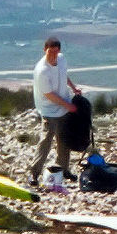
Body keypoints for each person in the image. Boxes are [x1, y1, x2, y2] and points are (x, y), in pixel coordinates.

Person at [28, 36, 82, 186]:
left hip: (63, 106)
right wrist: (67, 105)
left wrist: (73, 88)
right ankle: (34, 173)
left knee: (64, 140)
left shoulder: (62, 59)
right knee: (46, 141)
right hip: (49, 110)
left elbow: (64, 75)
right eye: (50, 52)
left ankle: (64, 169)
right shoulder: (42, 70)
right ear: (45, 50)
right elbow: (49, 94)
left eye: (55, 52)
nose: (53, 55)